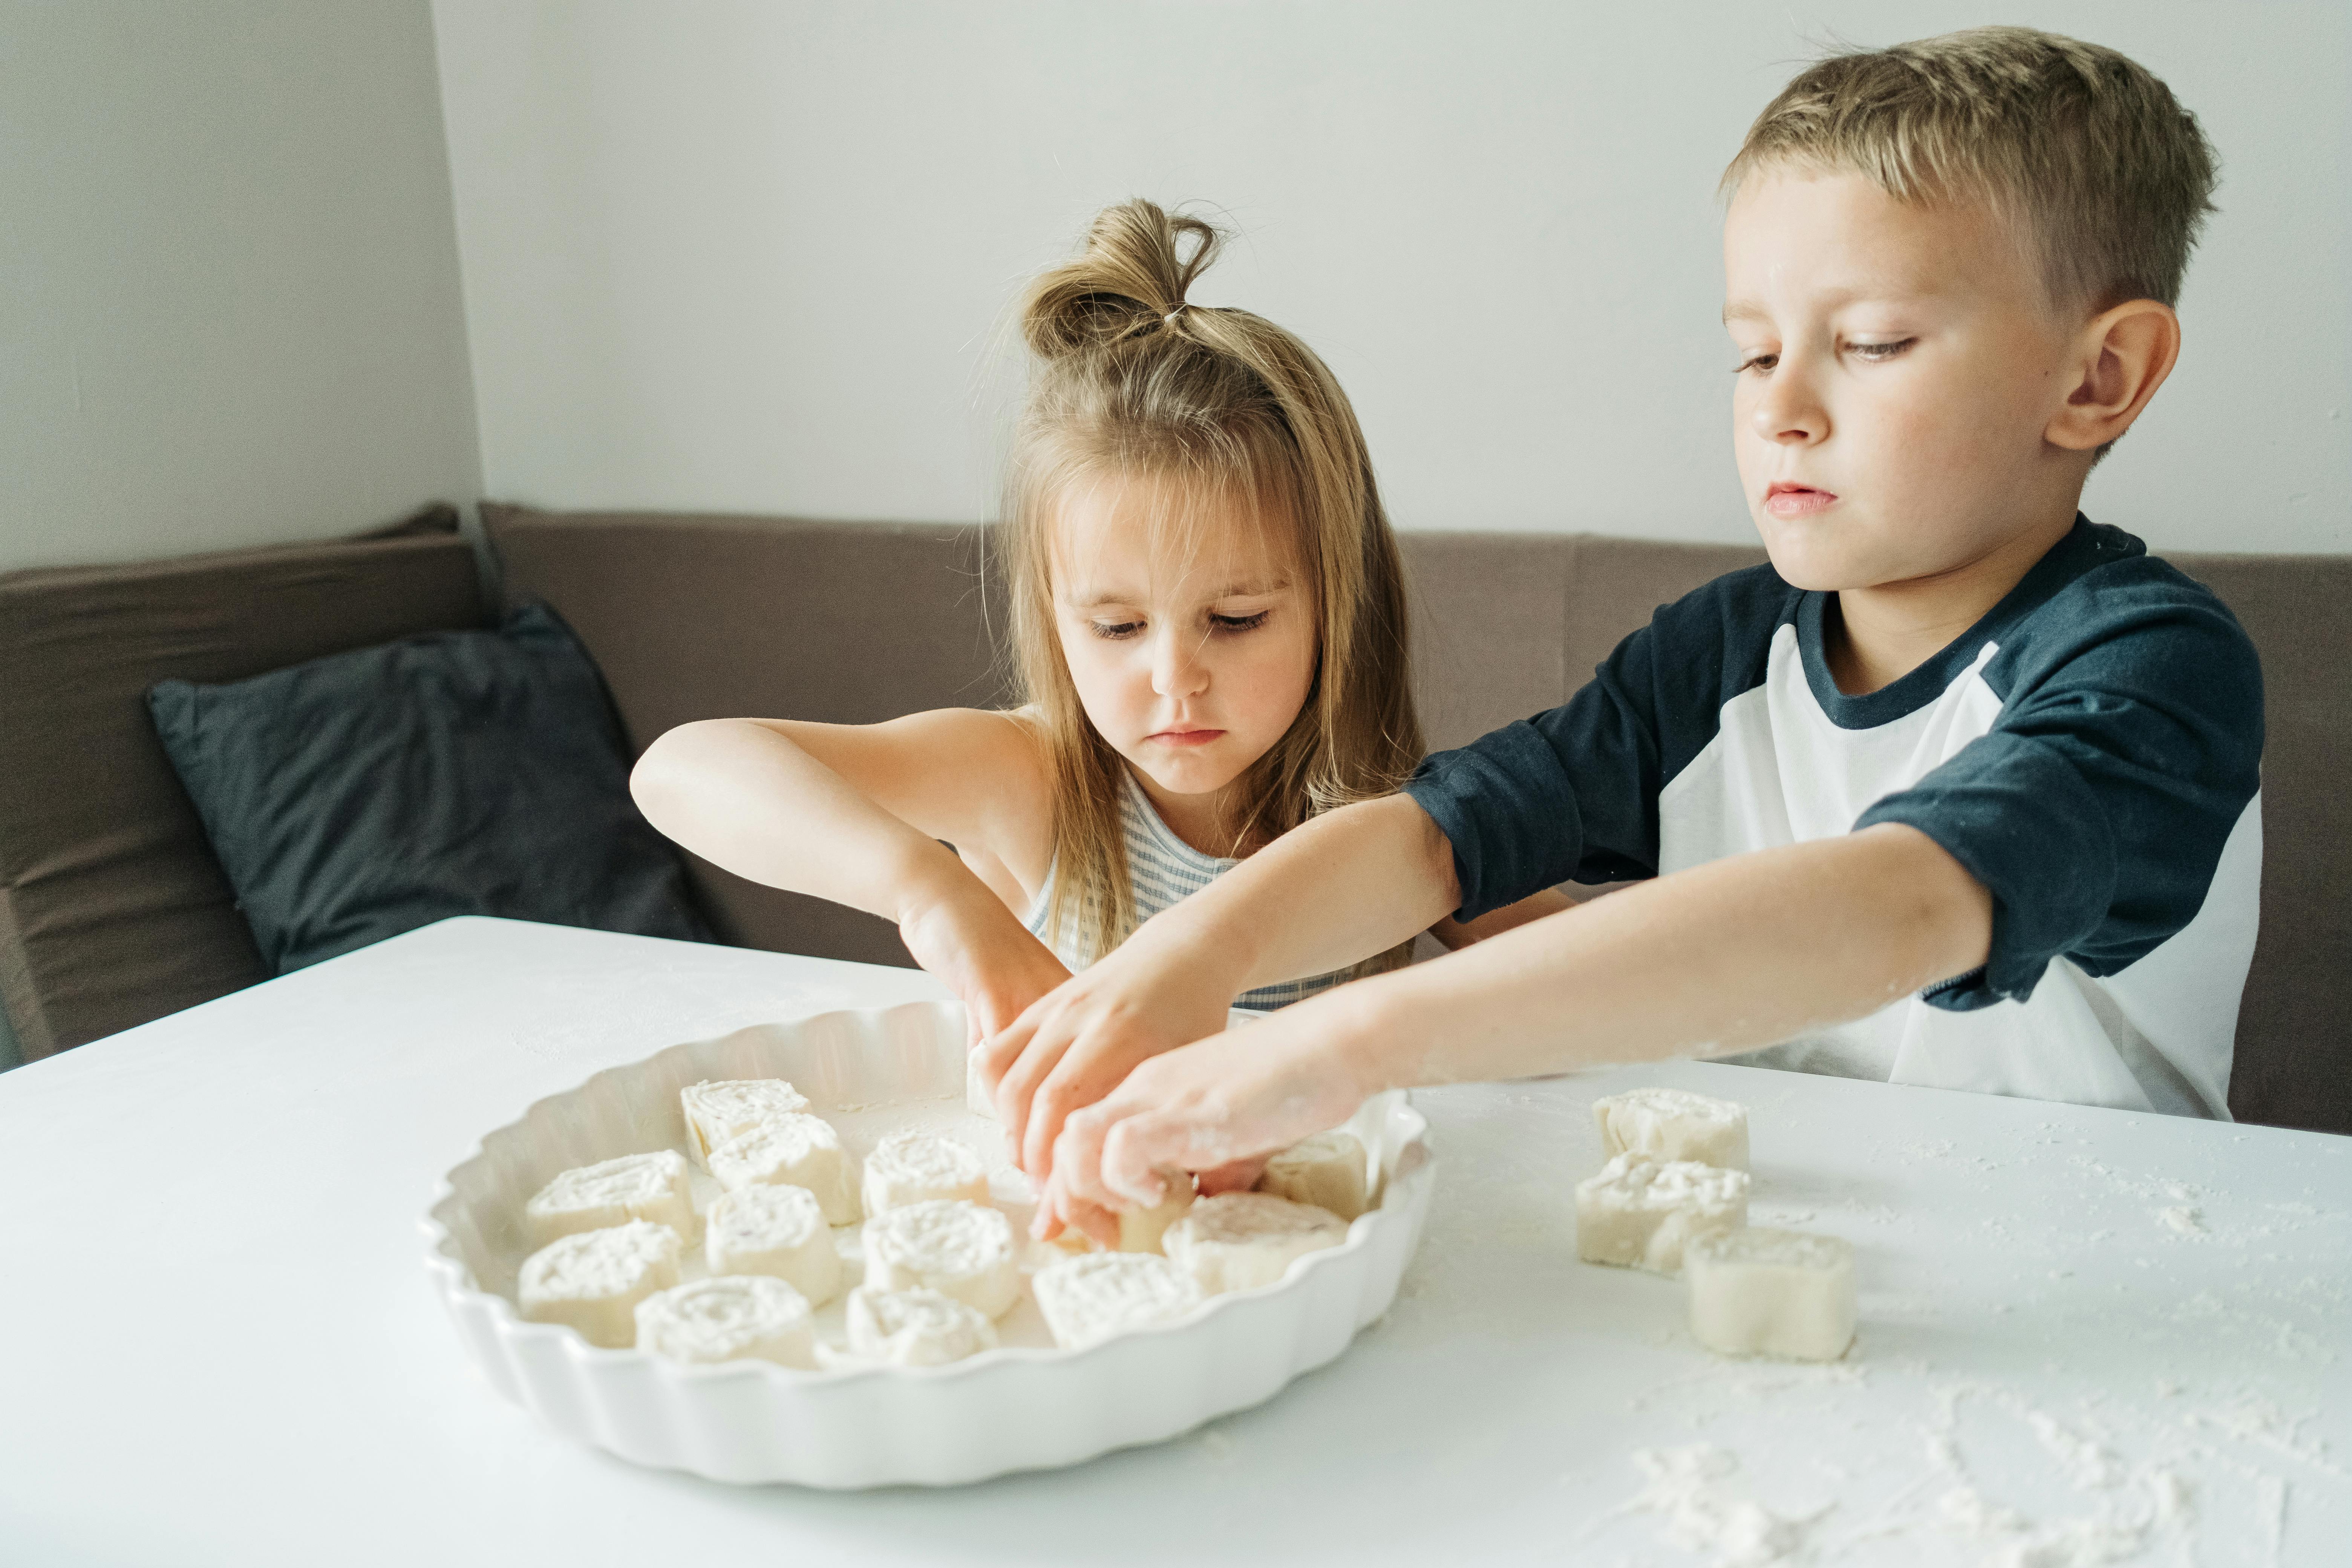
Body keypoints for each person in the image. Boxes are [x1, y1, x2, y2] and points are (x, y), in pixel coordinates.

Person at [988, 28, 2265, 1245]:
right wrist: (1194, 958)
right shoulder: (1720, 653)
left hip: (2101, 1279)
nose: (1785, 410)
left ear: (2098, 378)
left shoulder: (2154, 673)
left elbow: (1897, 907)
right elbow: (1439, 838)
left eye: (1870, 343)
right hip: (1777, 1257)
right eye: (1754, 355)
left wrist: (1338, 1044)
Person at [631, 198, 1557, 1185]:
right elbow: (679, 770)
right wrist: (931, 894)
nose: (1173, 681)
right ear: (1054, 614)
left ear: (1342, 603)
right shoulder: (1032, 781)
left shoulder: (1393, 831)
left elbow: (1616, 982)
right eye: (1116, 628)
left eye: (1236, 619)